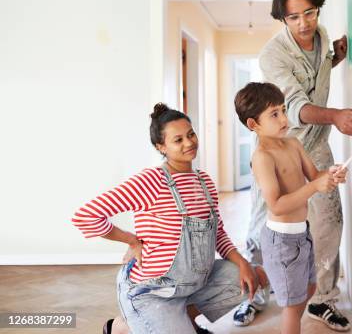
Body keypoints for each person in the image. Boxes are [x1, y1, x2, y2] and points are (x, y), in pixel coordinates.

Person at [235, 0, 352, 331]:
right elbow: (293, 105)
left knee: (328, 224)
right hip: (281, 145)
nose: (304, 23)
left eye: (310, 13)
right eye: (294, 18)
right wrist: (336, 115)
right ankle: (255, 297)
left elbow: (312, 73)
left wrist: (333, 58)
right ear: (283, 20)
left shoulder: (321, 37)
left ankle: (322, 299)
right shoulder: (272, 55)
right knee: (264, 223)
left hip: (315, 144)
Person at [72, 103, 260, 334]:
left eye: (191, 134)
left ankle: (181, 319)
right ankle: (124, 327)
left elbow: (218, 233)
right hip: (152, 293)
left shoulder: (204, 181)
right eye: (178, 140)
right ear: (161, 147)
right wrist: (131, 240)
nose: (189, 143)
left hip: (190, 287)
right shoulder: (151, 181)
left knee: (252, 277)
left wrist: (243, 264)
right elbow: (86, 215)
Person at [234, 82, 347, 334]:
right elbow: (276, 204)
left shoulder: (293, 143)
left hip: (301, 234)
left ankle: (276, 286)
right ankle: (272, 287)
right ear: (254, 125)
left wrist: (330, 174)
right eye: (274, 114)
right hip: (282, 240)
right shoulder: (262, 157)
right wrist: (316, 186)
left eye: (283, 110)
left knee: (308, 289)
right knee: (293, 309)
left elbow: (314, 174)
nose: (284, 119)